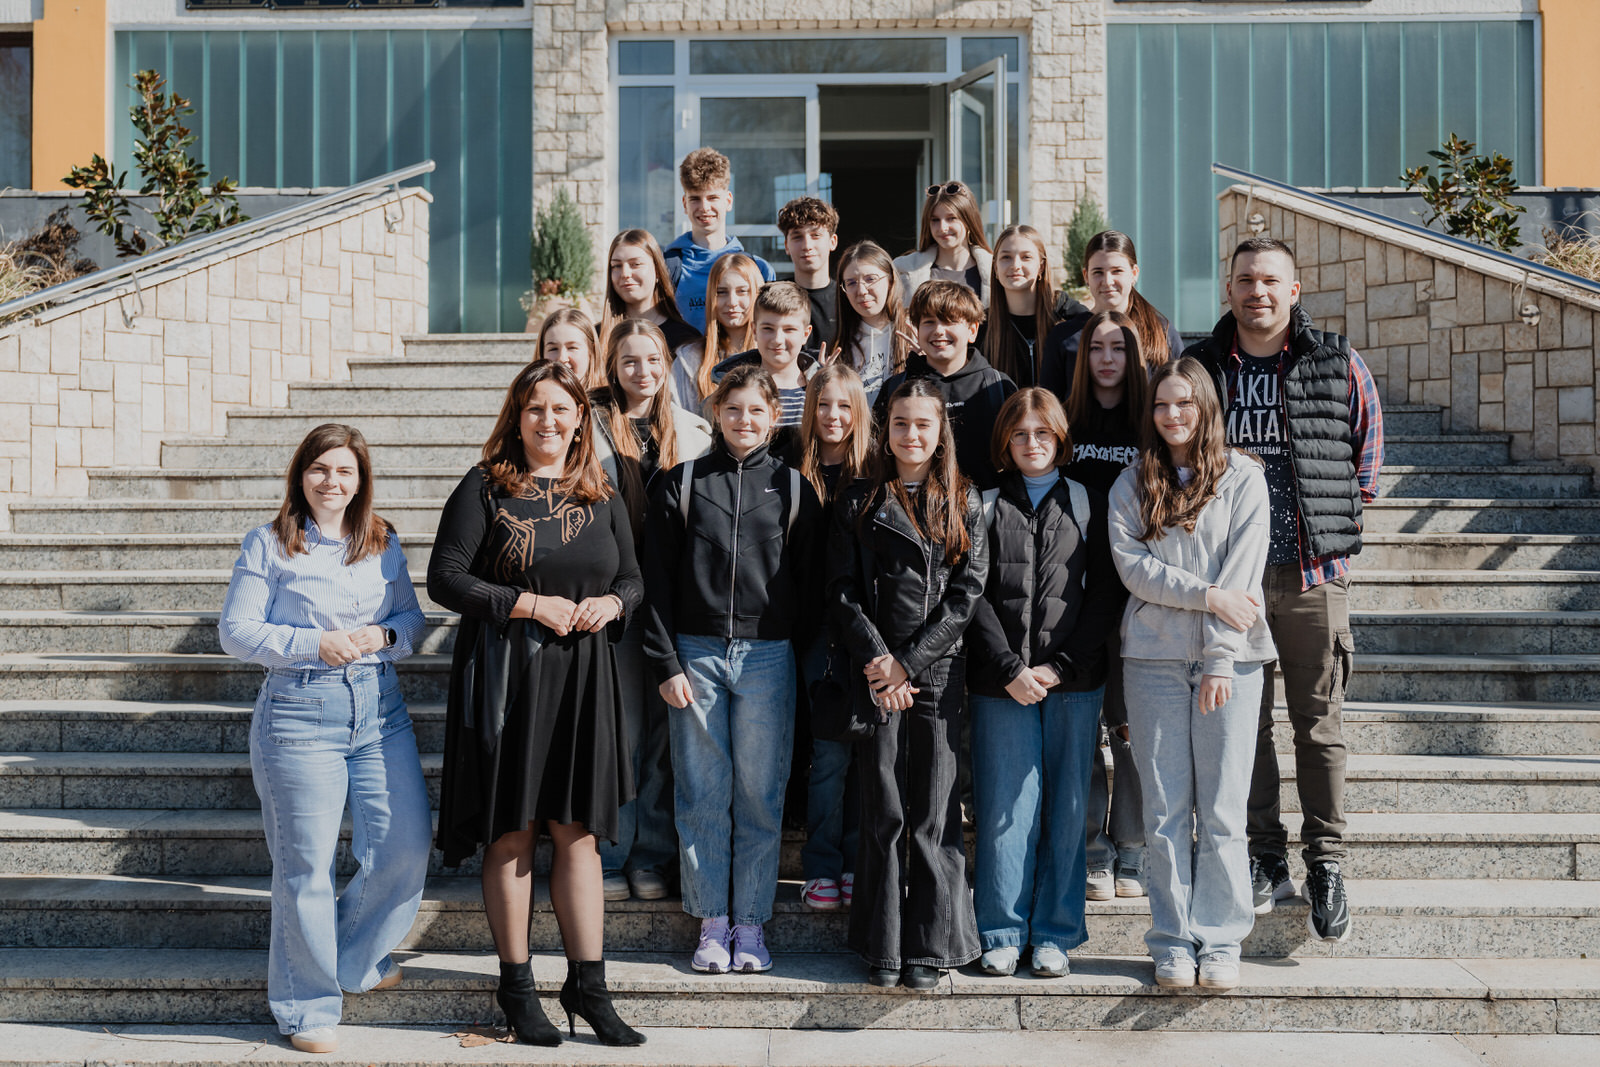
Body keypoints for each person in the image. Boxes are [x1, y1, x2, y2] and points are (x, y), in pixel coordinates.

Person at [429, 361, 645, 1048]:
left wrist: (613, 604)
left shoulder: (600, 490)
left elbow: (633, 578)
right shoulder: (485, 486)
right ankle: (517, 988)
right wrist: (527, 604)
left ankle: (589, 987)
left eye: (560, 408)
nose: (547, 420)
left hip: (583, 678)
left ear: (581, 418)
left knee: (577, 832)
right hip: (508, 676)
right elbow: (444, 578)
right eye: (534, 408)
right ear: (516, 417)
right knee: (513, 831)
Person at [1186, 236, 1384, 944]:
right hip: (1231, 579)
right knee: (1247, 725)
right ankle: (1265, 854)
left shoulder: (1337, 361)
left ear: (1293, 290)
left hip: (1310, 576)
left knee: (1318, 724)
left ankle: (1326, 860)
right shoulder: (1204, 367)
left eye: (1270, 280)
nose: (1257, 291)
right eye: (1245, 280)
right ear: (1230, 289)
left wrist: (1333, 527)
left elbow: (1366, 456)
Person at [218, 423, 431, 1055]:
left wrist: (384, 636)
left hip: (380, 709)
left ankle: (353, 958)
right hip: (299, 711)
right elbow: (236, 631)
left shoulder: (382, 540)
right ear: (300, 475)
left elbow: (411, 618)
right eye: (319, 469)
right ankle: (305, 1006)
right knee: (305, 867)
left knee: (403, 844)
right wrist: (313, 642)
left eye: (344, 471)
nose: (331, 481)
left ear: (360, 481)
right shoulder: (268, 542)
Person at [642, 364, 824, 975]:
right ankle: (711, 922)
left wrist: (793, 650)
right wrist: (666, 661)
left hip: (768, 657)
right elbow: (656, 582)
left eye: (756, 411)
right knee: (701, 793)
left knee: (759, 795)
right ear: (716, 413)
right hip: (694, 653)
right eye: (733, 409)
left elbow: (811, 587)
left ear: (774, 418)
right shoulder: (682, 483)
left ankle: (750, 923)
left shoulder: (794, 488)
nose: (744, 420)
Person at [1107, 356, 1275, 992]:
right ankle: (1173, 941)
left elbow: (1244, 577)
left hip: (1233, 663)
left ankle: (1221, 940)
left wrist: (1220, 657)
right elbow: (1135, 570)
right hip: (1152, 660)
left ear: (1206, 407)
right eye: (1161, 404)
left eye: (1184, 403)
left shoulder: (1244, 479)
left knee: (1224, 810)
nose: (1172, 415)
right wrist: (1207, 597)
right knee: (1165, 810)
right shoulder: (1132, 483)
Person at [828, 378, 988, 990]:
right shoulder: (858, 499)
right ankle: (884, 944)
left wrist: (909, 664)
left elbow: (965, 597)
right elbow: (841, 591)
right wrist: (880, 661)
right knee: (885, 809)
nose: (911, 434)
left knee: (935, 809)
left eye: (923, 423)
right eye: (900, 423)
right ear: (884, 427)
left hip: (938, 674)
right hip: (875, 671)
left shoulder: (966, 500)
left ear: (941, 430)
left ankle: (933, 944)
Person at [966, 387, 1122, 979]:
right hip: (999, 685)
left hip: (1073, 684)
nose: (1032, 444)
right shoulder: (982, 505)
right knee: (1005, 810)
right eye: (1020, 434)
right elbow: (971, 594)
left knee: (1067, 809)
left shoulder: (1087, 502)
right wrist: (1009, 668)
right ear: (1004, 441)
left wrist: (1061, 667)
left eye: (1043, 433)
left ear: (1060, 438)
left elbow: (1104, 596)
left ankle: (1056, 932)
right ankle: (1002, 929)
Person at [588, 319, 714, 904]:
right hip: (613, 599)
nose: (643, 371)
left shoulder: (694, 431)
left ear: (667, 364)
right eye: (630, 361)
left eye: (653, 359)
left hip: (673, 602)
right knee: (623, 734)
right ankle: (612, 853)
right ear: (613, 367)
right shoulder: (587, 428)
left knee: (667, 736)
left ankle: (654, 855)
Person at [1066, 310, 1152, 903]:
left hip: (1139, 596)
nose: (1106, 358)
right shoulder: (1067, 421)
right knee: (1086, 729)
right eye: (1096, 347)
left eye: (1118, 348)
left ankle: (1134, 847)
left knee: (1130, 729)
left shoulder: (1150, 423)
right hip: (1074, 593)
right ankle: (1093, 849)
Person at [794, 362, 876, 913]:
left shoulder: (874, 473)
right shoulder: (790, 467)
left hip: (866, 628)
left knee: (865, 751)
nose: (833, 415)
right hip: (811, 631)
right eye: (824, 404)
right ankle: (821, 863)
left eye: (844, 405)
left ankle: (854, 861)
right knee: (827, 753)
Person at [876, 280, 1016, 489]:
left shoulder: (996, 386)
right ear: (917, 329)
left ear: (972, 331)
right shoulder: (897, 388)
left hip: (987, 500)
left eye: (950, 321)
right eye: (929, 322)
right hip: (912, 500)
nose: (939, 331)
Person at [1041, 230, 1185, 401]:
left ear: (1134, 273)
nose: (1108, 281)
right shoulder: (1064, 336)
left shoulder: (1161, 332)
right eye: (1098, 272)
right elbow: (1049, 408)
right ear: (1086, 276)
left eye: (1117, 271)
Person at [663, 146, 776, 332]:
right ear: (684, 204)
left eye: (713, 197)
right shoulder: (666, 269)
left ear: (728, 201)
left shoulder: (759, 270)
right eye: (695, 199)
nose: (704, 207)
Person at [711, 281, 821, 463]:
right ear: (754, 330)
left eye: (789, 329)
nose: (778, 339)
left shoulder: (820, 393)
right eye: (768, 329)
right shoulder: (730, 391)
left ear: (805, 334)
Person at [674, 252, 763, 410]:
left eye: (742, 291)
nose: (732, 302)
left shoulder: (772, 355)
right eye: (721, 292)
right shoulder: (689, 359)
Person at [602, 228, 702, 357]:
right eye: (616, 266)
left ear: (658, 271)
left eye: (635, 264)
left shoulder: (686, 340)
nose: (625, 274)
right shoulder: (597, 339)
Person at [834, 240, 912, 405]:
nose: (861, 291)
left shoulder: (913, 332)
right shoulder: (838, 345)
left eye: (870, 279)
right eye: (851, 283)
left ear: (890, 280)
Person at [893, 180, 993, 306]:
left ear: (968, 220)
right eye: (935, 220)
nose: (942, 228)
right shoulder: (904, 270)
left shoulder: (995, 270)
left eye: (951, 218)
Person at [984, 225, 1057, 388]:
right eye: (1006, 257)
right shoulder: (981, 328)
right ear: (995, 268)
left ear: (1041, 267)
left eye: (1026, 257)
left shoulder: (1064, 318)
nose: (1015, 265)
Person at [779, 196, 841, 353]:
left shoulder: (847, 299)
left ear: (832, 241)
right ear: (786, 246)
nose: (807, 245)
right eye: (797, 237)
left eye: (815, 235)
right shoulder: (772, 298)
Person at [537, 307, 604, 391]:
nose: (562, 359)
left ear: (592, 351)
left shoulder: (612, 398)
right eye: (553, 349)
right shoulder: (527, 397)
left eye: (572, 347)